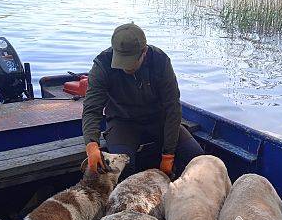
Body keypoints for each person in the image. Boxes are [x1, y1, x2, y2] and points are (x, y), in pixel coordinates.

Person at [82, 23, 203, 178]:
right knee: (123, 168)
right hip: (122, 122)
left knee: (195, 156)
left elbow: (172, 109)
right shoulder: (102, 65)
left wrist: (168, 155)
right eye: (121, 61)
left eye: (131, 62)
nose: (126, 67)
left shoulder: (160, 61)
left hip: (159, 120)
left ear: (144, 52)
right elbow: (92, 109)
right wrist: (91, 145)